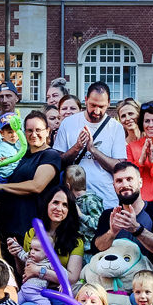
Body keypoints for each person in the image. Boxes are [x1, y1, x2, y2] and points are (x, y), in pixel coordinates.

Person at [0, 111, 60, 243]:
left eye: (38, 130)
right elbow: (8, 182)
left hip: (29, 231)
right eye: (29, 130)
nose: (33, 135)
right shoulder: (19, 155)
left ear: (47, 131)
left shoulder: (50, 155)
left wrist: (1, 186)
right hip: (6, 228)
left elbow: (37, 186)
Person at [53, 82, 128, 210]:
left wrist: (93, 150)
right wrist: (77, 147)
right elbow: (57, 161)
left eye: (102, 106)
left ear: (109, 103)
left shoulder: (116, 128)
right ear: (86, 100)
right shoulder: (68, 123)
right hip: (72, 200)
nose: (97, 111)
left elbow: (119, 167)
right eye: (93, 105)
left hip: (106, 199)